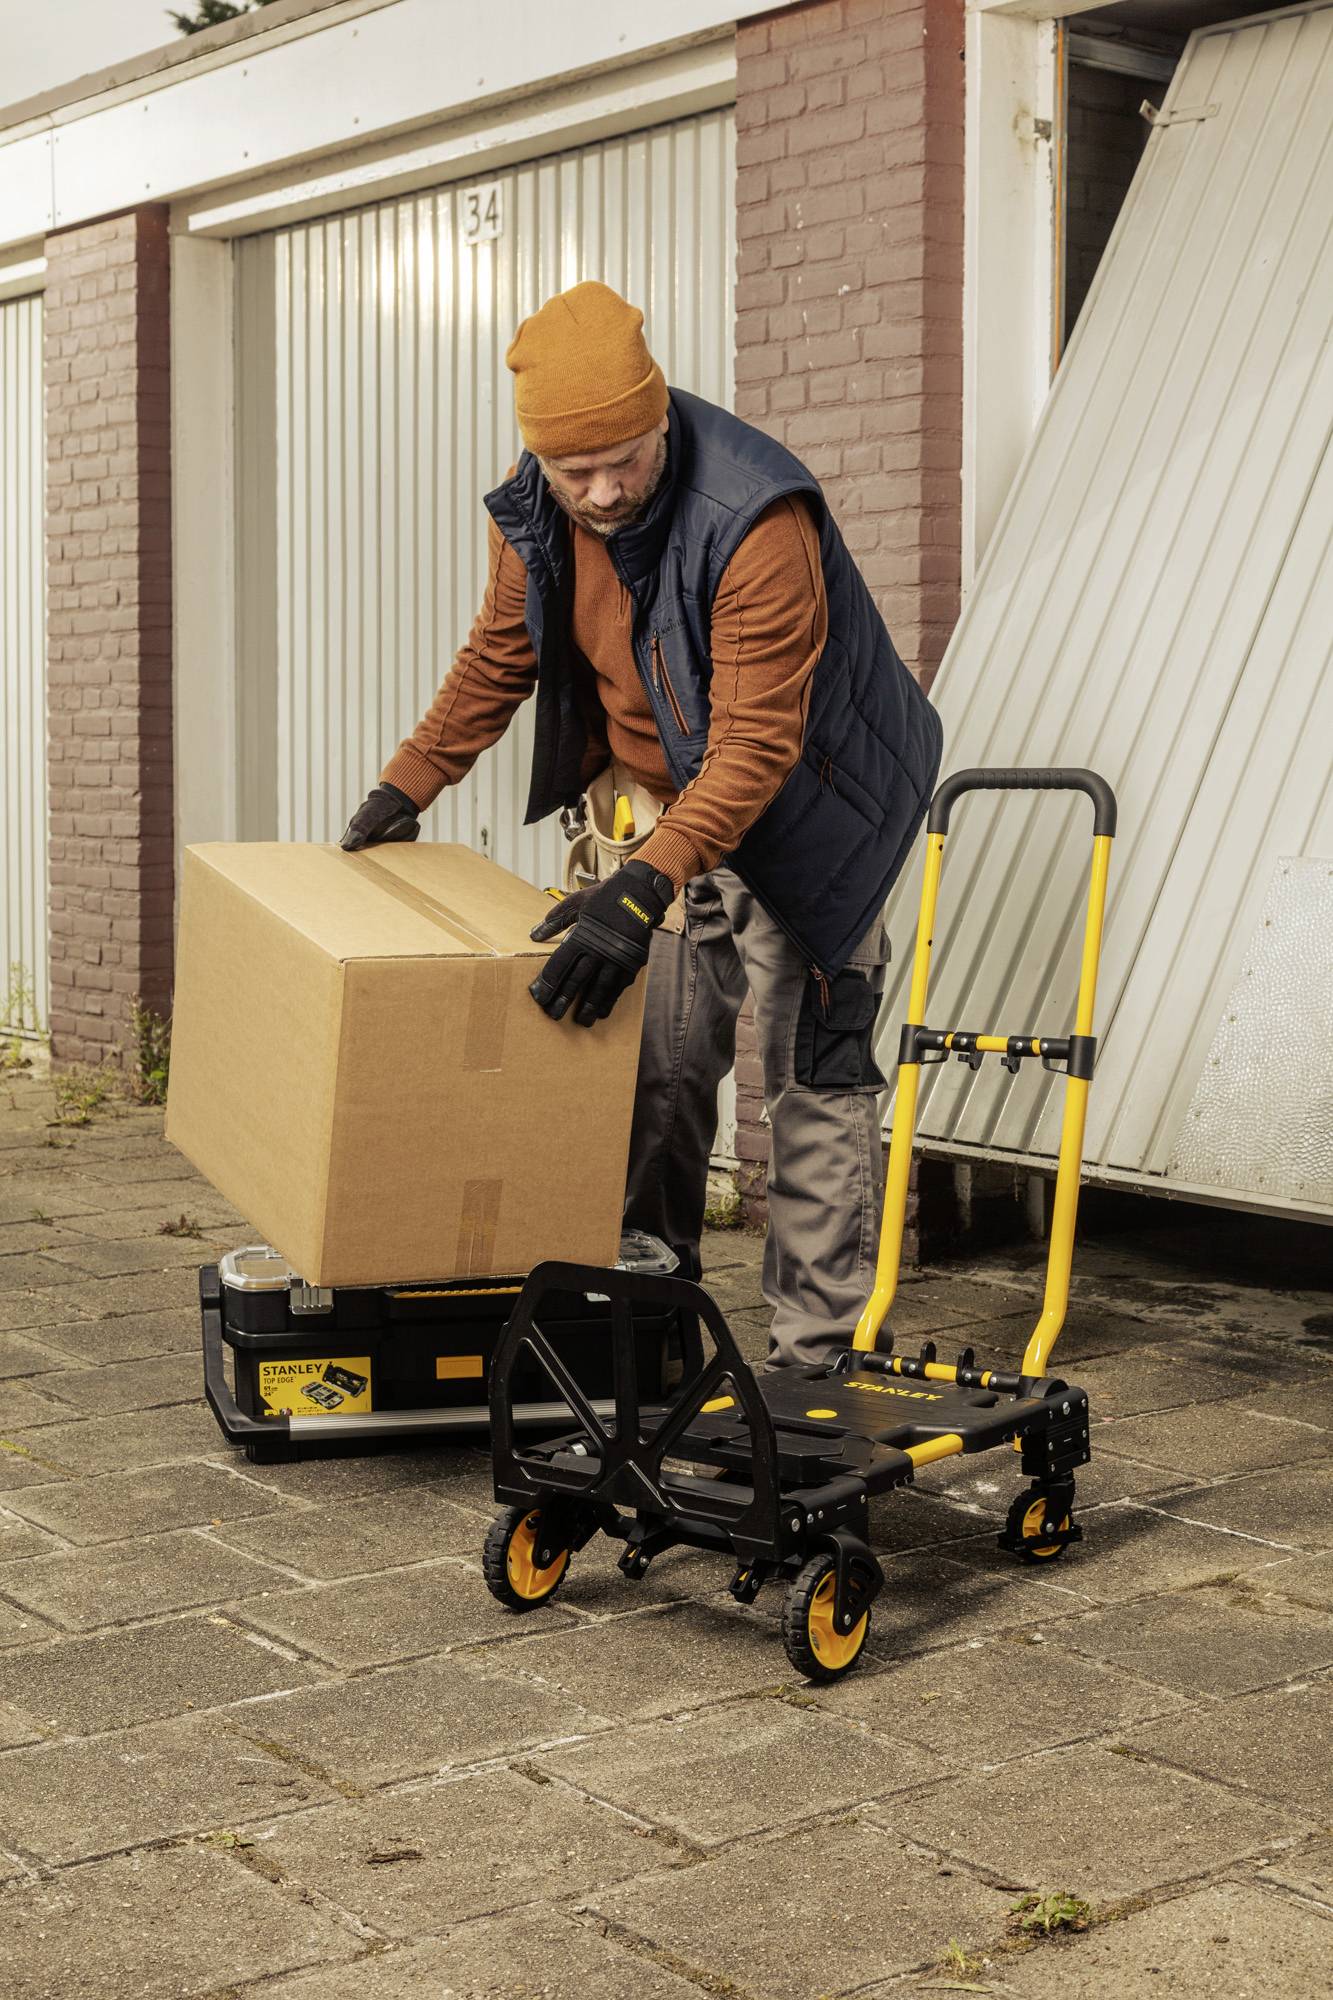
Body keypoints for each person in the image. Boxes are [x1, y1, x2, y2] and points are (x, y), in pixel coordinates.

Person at [342, 281, 942, 1366]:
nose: (608, 487)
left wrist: (645, 882)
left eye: (628, 453)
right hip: (662, 803)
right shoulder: (538, 510)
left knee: (811, 1076)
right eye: (580, 470)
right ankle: (652, 1319)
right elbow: (500, 654)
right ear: (540, 457)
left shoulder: (757, 515)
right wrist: (406, 786)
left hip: (812, 816)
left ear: (661, 411)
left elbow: (758, 741)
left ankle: (824, 1355)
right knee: (647, 1063)